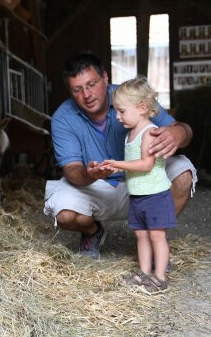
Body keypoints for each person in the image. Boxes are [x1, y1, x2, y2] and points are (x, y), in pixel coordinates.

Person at [43, 53, 196, 259]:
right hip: (98, 187)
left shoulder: (131, 97)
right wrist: (91, 174)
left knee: (183, 173)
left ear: (105, 78)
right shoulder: (63, 118)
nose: (86, 94)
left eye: (91, 84)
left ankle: (154, 239)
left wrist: (179, 133)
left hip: (145, 180)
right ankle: (92, 232)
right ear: (70, 91)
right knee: (64, 213)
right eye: (77, 89)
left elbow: (182, 129)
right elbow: (71, 170)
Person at [99, 78, 174, 292]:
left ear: (142, 108)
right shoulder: (131, 133)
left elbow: (146, 164)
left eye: (121, 111)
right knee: (141, 234)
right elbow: (136, 164)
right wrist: (117, 167)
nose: (117, 116)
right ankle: (144, 272)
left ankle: (160, 278)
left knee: (157, 235)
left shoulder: (149, 132)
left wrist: (118, 164)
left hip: (155, 195)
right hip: (138, 195)